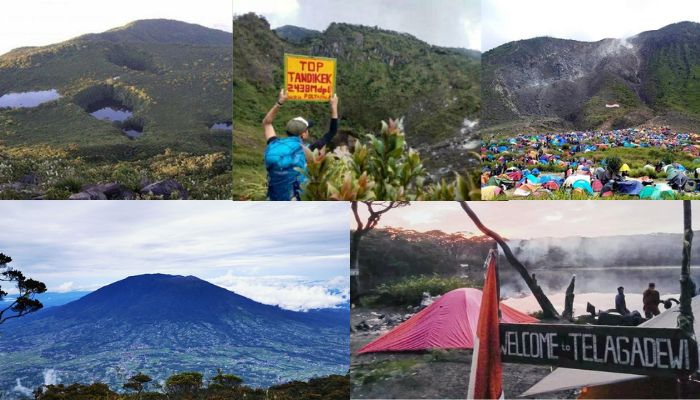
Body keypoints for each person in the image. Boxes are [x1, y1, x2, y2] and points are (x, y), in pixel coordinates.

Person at [262, 89, 339, 201]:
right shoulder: (308, 150)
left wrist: (280, 102)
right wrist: (334, 107)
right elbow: (332, 131)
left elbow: (266, 122)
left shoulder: (273, 144)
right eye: (307, 130)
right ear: (303, 134)